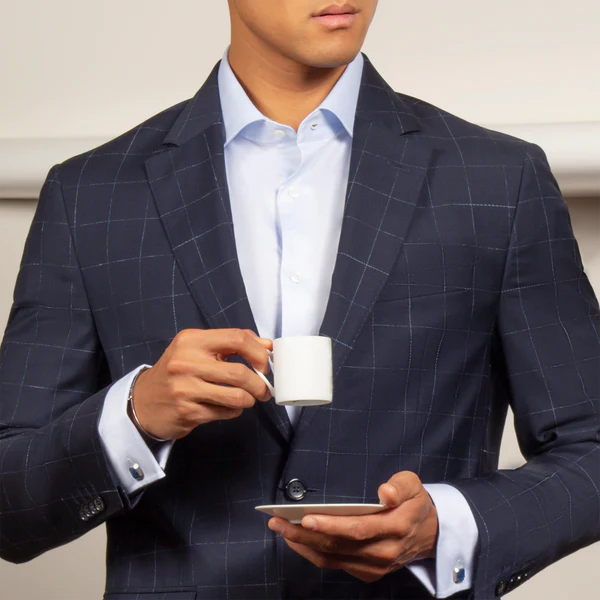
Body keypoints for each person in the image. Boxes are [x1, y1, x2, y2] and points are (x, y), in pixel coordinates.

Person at [1, 1, 599, 598]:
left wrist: (447, 526)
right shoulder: (91, 196)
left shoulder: (498, 180)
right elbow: (8, 504)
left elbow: (591, 448)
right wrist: (134, 417)